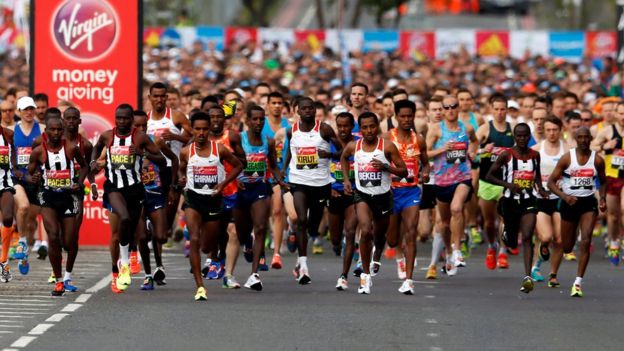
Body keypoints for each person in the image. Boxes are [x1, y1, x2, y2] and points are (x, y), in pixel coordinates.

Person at [90, 104, 166, 292]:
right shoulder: (108, 135)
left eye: (125, 118)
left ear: (131, 120)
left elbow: (162, 160)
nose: (122, 121)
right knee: (123, 217)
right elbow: (97, 146)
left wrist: (142, 153)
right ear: (115, 118)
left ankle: (126, 259)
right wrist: (93, 161)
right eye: (119, 118)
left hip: (135, 189)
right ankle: (124, 263)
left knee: (131, 227)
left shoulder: (140, 138)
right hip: (114, 187)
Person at [178, 111, 242, 301]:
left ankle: (213, 258)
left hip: (214, 200)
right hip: (193, 200)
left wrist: (224, 183)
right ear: (193, 129)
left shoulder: (219, 149)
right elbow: (181, 168)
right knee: (195, 239)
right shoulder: (186, 152)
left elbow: (238, 165)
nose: (201, 133)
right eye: (197, 129)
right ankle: (200, 287)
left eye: (205, 129)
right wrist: (181, 179)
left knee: (206, 247)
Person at [341, 111, 407, 294]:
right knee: (366, 229)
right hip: (362, 195)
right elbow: (344, 158)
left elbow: (404, 172)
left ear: (377, 126)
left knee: (379, 235)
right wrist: (347, 180)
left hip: (384, 196)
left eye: (372, 126)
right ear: (360, 129)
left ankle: (376, 255)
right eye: (364, 127)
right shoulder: (354, 146)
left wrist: (386, 166)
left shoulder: (387, 147)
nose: (369, 130)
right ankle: (365, 275)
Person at [283, 97, 341, 285]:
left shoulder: (324, 129)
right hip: (299, 182)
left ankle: (298, 234)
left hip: (321, 184)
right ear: (297, 111)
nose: (308, 111)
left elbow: (343, 151)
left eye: (311, 108)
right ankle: (303, 265)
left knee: (313, 227)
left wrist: (330, 154)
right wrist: (284, 170)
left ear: (315, 111)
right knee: (301, 219)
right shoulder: (291, 131)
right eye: (304, 109)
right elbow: (291, 152)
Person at [27, 115, 88, 296]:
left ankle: (68, 273)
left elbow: (84, 166)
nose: (56, 133)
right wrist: (35, 176)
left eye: (59, 130)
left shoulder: (71, 148)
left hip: (68, 197)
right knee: (53, 235)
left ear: (63, 132)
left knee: (69, 242)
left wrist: (80, 181)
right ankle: (59, 280)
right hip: (48, 197)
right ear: (46, 132)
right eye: (52, 129)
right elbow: (30, 170)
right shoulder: (39, 151)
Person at [486, 123, 548, 293]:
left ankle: (527, 277)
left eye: (525, 136)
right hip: (509, 201)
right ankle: (506, 234)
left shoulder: (535, 155)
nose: (522, 139)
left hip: (529, 200)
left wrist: (541, 189)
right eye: (519, 136)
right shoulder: (506, 155)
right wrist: (508, 185)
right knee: (512, 243)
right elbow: (489, 176)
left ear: (529, 136)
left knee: (528, 236)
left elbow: (537, 177)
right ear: (514, 136)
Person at [547, 127, 607, 297]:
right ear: (575, 139)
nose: (583, 140)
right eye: (579, 137)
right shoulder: (567, 158)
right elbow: (551, 182)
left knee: (586, 239)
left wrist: (602, 198)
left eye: (586, 137)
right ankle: (566, 248)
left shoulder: (598, 160)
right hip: (569, 202)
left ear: (590, 139)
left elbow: (603, 182)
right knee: (567, 246)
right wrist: (565, 197)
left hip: (588, 202)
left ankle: (578, 282)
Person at [426, 95, 478, 276]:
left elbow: (474, 139)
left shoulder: (466, 127)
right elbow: (425, 153)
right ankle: (448, 251)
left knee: (457, 208)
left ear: (458, 108)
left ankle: (457, 250)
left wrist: (473, 151)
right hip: (442, 181)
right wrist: (442, 149)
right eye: (445, 107)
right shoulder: (436, 130)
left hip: (462, 176)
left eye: (453, 107)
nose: (449, 110)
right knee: (445, 223)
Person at [235, 105, 285, 291]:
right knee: (242, 232)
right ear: (247, 121)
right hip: (240, 188)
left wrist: (281, 180)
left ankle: (254, 274)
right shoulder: (238, 139)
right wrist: (231, 181)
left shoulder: (269, 141)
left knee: (261, 226)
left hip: (259, 188)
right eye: (254, 119)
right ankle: (247, 242)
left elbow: (273, 165)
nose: (258, 122)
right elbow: (228, 162)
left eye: (261, 119)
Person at [384, 100, 429, 295]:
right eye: (402, 116)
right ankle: (399, 255)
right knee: (393, 240)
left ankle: (409, 280)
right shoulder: (387, 138)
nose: (406, 119)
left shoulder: (418, 139)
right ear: (396, 117)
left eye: (409, 116)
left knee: (411, 233)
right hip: (392, 191)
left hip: (412, 191)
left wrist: (425, 173)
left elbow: (426, 163)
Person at [133, 110, 177, 290]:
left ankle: (159, 264)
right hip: (135, 195)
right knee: (142, 237)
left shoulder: (156, 141)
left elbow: (172, 159)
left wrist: (173, 187)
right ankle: (148, 275)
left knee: (161, 236)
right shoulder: (124, 144)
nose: (142, 128)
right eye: (138, 126)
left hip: (156, 193)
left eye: (145, 125)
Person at [476, 93, 515, 270]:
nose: (500, 112)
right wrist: (483, 149)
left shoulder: (513, 129)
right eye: (496, 109)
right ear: (491, 110)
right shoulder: (484, 129)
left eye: (503, 109)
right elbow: (471, 152)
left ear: (507, 110)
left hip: (505, 181)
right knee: (489, 222)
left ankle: (503, 252)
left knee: (505, 217)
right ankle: (492, 246)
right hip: (486, 181)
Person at [11, 96, 46, 276]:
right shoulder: (11, 130)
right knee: (23, 207)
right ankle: (22, 241)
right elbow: (7, 155)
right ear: (19, 111)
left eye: (31, 108)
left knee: (34, 221)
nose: (29, 112)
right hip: (18, 179)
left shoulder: (43, 129)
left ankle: (25, 252)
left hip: (37, 180)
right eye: (25, 109)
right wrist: (15, 170)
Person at [530, 116, 568, 283]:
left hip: (560, 199)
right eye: (548, 130)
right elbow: (527, 173)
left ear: (560, 130)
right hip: (540, 198)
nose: (552, 133)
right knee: (546, 237)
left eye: (555, 130)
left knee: (560, 239)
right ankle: (536, 264)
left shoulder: (568, 151)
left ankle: (553, 274)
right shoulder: (536, 150)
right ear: (544, 131)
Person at [591, 102, 624, 266]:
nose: (623, 116)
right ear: (617, 115)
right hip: (612, 176)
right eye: (621, 113)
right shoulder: (608, 131)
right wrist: (605, 146)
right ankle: (614, 242)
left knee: (623, 209)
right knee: (612, 215)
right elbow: (591, 146)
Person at [330, 112, 358, 291]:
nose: (343, 129)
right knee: (334, 238)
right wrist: (328, 187)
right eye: (339, 126)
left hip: (353, 194)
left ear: (352, 126)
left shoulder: (358, 144)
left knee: (350, 233)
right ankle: (335, 244)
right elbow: (319, 167)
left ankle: (343, 276)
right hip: (334, 194)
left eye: (346, 125)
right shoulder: (329, 143)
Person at [262, 92, 290, 268]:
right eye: (274, 103)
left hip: (281, 173)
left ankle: (276, 253)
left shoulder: (289, 125)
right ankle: (260, 246)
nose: (277, 106)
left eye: (280, 103)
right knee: (263, 214)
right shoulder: (260, 123)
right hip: (262, 173)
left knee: (278, 211)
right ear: (267, 105)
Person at [0, 121, 17, 283]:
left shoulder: (8, 134)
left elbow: (14, 153)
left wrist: (16, 167)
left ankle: (3, 260)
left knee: (7, 218)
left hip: (5, 184)